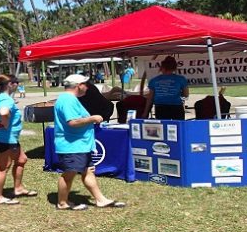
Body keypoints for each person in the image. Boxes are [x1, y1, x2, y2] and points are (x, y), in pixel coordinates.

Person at [54, 74, 126, 210]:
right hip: (71, 145)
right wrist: (92, 118)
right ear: (79, 86)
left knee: (88, 171)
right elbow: (72, 122)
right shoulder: (67, 100)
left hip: (81, 144)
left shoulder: (70, 99)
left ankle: (100, 200)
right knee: (69, 174)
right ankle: (62, 203)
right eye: (85, 84)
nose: (87, 87)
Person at [0, 75, 36, 205]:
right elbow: (3, 112)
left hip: (5, 137)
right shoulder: (5, 99)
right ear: (10, 84)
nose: (18, 85)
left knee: (21, 159)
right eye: (16, 83)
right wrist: (5, 123)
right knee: (3, 167)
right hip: (4, 139)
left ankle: (18, 188)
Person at [142, 56, 189, 120]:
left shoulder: (154, 80)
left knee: (163, 128)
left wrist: (145, 112)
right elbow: (186, 94)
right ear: (174, 67)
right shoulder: (181, 79)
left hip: (160, 108)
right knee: (178, 128)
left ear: (162, 67)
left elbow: (150, 98)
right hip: (176, 107)